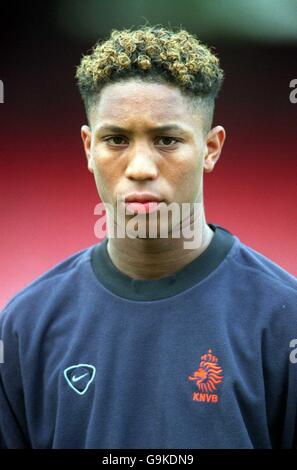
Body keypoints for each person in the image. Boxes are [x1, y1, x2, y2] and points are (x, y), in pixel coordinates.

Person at [0, 25, 296, 449]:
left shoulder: (284, 320)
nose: (140, 166)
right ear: (88, 148)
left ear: (211, 148)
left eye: (167, 140)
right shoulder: (25, 326)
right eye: (116, 139)